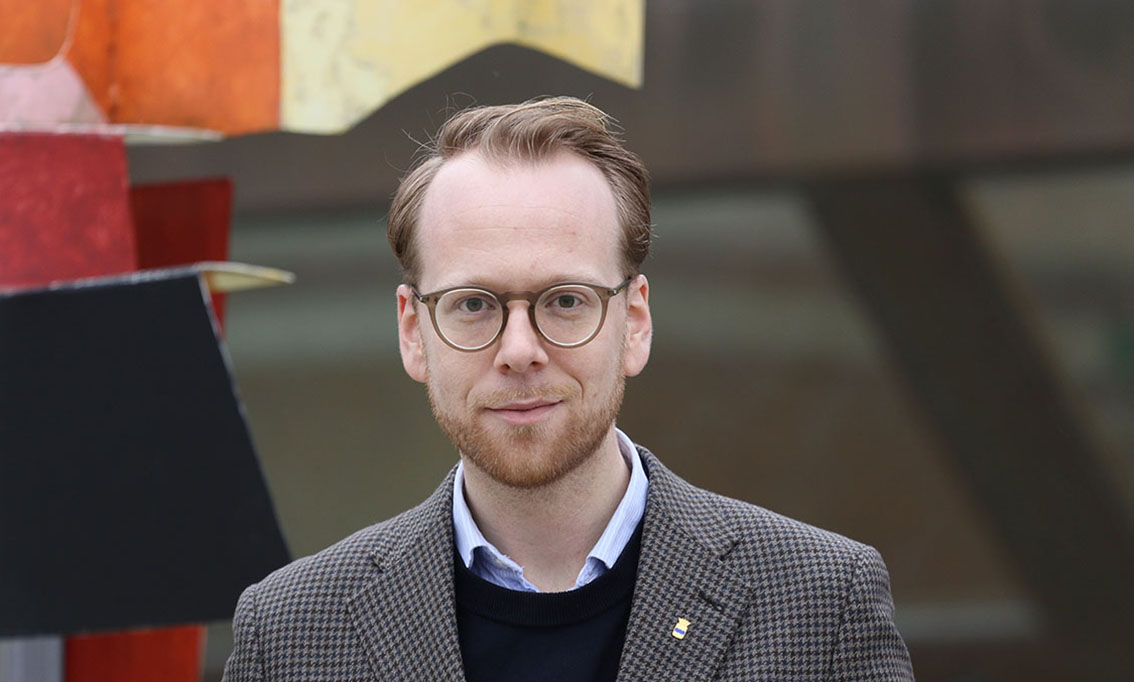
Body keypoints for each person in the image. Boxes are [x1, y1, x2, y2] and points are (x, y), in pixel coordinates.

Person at [222, 97, 915, 681]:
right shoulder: (290, 635)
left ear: (634, 322)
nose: (520, 351)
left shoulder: (820, 604)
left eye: (565, 301)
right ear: (413, 332)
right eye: (473, 304)